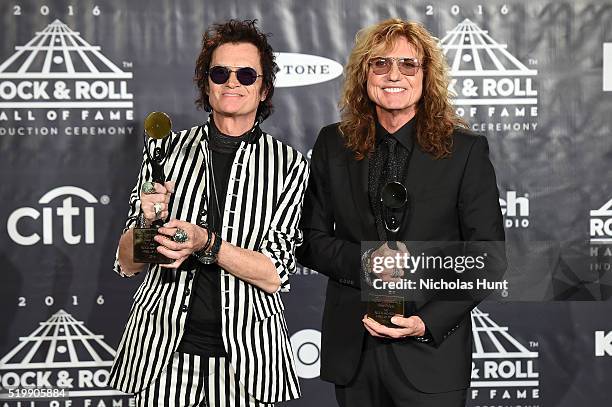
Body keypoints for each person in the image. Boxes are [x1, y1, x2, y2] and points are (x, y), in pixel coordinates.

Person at [296, 18, 505, 407]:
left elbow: (488, 258)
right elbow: (308, 239)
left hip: (431, 355)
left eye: (409, 64)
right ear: (365, 73)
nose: (394, 75)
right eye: (381, 63)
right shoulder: (332, 143)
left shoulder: (465, 150)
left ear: (426, 76)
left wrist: (428, 321)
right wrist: (366, 262)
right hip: (353, 352)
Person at [109, 19, 307, 407]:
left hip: (248, 365)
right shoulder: (165, 152)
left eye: (246, 74)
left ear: (263, 88)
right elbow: (128, 262)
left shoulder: (289, 165)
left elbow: (274, 274)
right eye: (221, 72)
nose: (232, 82)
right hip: (163, 359)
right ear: (206, 83)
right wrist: (148, 226)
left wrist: (206, 243)